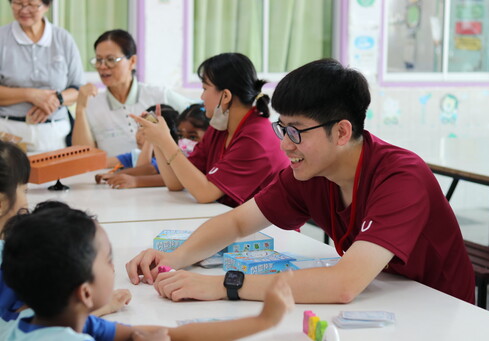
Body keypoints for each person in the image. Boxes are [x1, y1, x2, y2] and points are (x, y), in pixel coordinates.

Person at [126, 59, 475, 305]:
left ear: (341, 131)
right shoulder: (309, 171)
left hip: (441, 311)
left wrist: (223, 285)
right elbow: (236, 222)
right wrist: (174, 258)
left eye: (295, 131)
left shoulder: (401, 176)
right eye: (282, 128)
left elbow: (343, 284)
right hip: (385, 297)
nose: (284, 144)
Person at [0, 202, 294, 340]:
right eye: (108, 259)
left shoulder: (35, 320)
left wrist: (262, 322)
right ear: (85, 292)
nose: (114, 267)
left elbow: (177, 334)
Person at [0, 142, 130, 339]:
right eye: (24, 191)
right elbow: (38, 327)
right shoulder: (12, 253)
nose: (26, 203)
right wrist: (96, 306)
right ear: (1, 202)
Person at [132, 53, 289, 207]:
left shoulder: (257, 137)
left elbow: (205, 193)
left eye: (205, 88)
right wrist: (158, 141)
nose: (202, 96)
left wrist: (165, 140)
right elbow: (175, 182)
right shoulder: (220, 128)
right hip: (233, 220)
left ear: (225, 96)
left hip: (268, 230)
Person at [71, 29, 193, 156]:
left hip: (158, 174)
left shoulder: (159, 95)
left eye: (111, 59)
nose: (102, 66)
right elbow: (83, 157)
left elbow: (198, 113)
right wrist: (80, 109)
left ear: (132, 61)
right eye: (98, 60)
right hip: (112, 174)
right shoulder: (92, 104)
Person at [0, 0, 84, 152]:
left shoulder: (63, 38)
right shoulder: (2, 38)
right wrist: (30, 95)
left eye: (32, 4)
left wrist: (56, 100)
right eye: (18, 3)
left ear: (46, 6)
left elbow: (79, 89)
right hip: (9, 132)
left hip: (55, 134)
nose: (24, 10)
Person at [96, 103, 209, 190]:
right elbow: (176, 183)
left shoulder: (172, 156)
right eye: (139, 128)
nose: (140, 135)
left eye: (193, 137)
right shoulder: (136, 154)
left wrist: (134, 180)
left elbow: (149, 169)